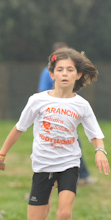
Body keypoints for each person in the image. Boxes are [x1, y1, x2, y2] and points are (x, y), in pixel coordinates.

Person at [0, 48, 110, 220]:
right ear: (51, 74)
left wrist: (100, 151)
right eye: (60, 70)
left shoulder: (82, 105)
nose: (64, 74)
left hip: (68, 164)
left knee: (64, 213)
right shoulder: (38, 100)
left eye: (70, 70)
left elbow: (95, 133)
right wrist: (1, 155)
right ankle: (48, 192)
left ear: (77, 75)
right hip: (43, 166)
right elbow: (19, 129)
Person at [38, 42, 95, 185]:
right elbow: (42, 94)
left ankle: (78, 176)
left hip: (67, 117)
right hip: (52, 117)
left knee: (73, 144)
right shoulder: (47, 73)